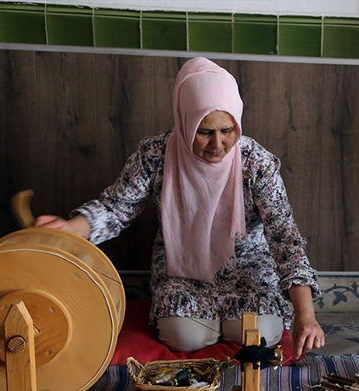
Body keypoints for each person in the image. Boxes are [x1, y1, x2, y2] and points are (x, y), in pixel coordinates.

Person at [35, 57, 325, 358]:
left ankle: (230, 324)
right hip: (183, 273)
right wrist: (72, 228)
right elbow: (117, 207)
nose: (218, 144)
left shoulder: (257, 163)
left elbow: (284, 238)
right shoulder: (156, 155)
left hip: (248, 273)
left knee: (258, 335)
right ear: (184, 119)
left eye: (227, 130)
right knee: (186, 338)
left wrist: (306, 315)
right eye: (204, 132)